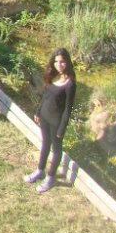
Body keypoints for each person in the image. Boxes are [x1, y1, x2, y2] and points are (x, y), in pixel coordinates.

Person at [25, 48, 76, 193]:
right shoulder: (53, 76)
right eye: (56, 62)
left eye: (62, 62)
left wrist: (62, 128)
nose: (59, 65)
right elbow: (45, 96)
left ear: (67, 62)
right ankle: (40, 170)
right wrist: (38, 111)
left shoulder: (70, 84)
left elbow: (68, 109)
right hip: (45, 117)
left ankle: (50, 178)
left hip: (56, 122)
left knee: (56, 150)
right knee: (45, 144)